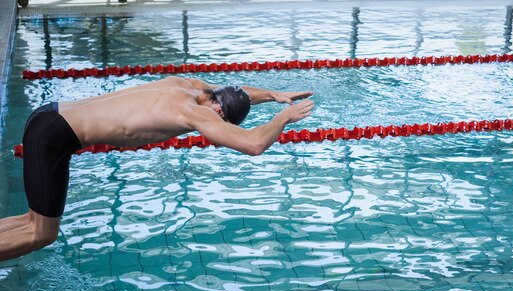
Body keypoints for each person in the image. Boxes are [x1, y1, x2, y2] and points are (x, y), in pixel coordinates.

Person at [0, 76, 314, 261]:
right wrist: (283, 118)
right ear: (218, 112)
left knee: (31, 221)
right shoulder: (197, 114)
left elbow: (236, 90)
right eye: (222, 123)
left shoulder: (190, 86)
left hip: (49, 116)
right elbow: (253, 145)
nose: (215, 130)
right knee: (42, 234)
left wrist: (272, 96)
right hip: (55, 137)